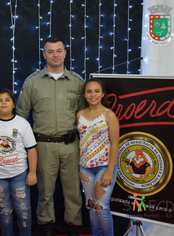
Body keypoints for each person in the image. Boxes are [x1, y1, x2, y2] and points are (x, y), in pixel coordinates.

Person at [16, 37, 84, 236]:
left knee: (73, 189)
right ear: (44, 54)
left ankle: (74, 224)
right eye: (50, 51)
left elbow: (84, 115)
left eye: (59, 50)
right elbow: (21, 114)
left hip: (71, 144)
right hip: (43, 144)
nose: (55, 55)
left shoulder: (77, 82)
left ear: (65, 53)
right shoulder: (32, 82)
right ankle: (46, 225)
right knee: (45, 190)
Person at [0, 88, 37, 236]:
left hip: (19, 174)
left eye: (7, 100)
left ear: (13, 104)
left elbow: (31, 149)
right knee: (4, 211)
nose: (3, 103)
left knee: (24, 211)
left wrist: (32, 172)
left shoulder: (22, 123)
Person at [76, 78, 119, 236]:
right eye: (89, 91)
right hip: (85, 167)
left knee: (101, 206)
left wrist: (109, 170)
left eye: (96, 91)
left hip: (104, 167)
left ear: (102, 94)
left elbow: (115, 144)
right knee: (91, 205)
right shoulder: (79, 115)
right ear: (84, 94)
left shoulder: (109, 115)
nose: (92, 94)